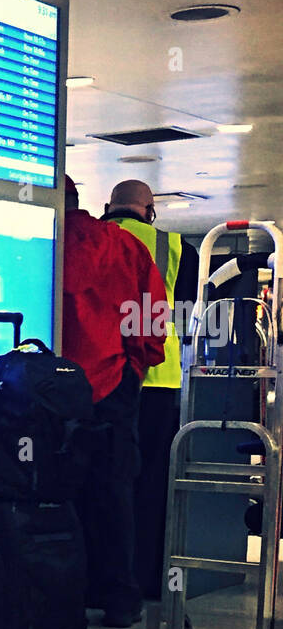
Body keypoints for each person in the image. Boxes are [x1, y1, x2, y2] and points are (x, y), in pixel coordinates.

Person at [61, 176, 168, 626]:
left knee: (57, 492)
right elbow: (154, 314)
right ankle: (120, 598)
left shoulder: (37, 240)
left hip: (49, 389)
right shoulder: (126, 247)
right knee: (115, 491)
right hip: (114, 384)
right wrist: (135, 367)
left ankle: (63, 595)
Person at [102, 180, 200, 601]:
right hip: (160, 378)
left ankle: (103, 580)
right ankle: (146, 578)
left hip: (104, 376)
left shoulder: (94, 239)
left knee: (106, 481)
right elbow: (187, 308)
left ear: (109, 206)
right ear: (150, 209)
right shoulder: (176, 246)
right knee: (153, 483)